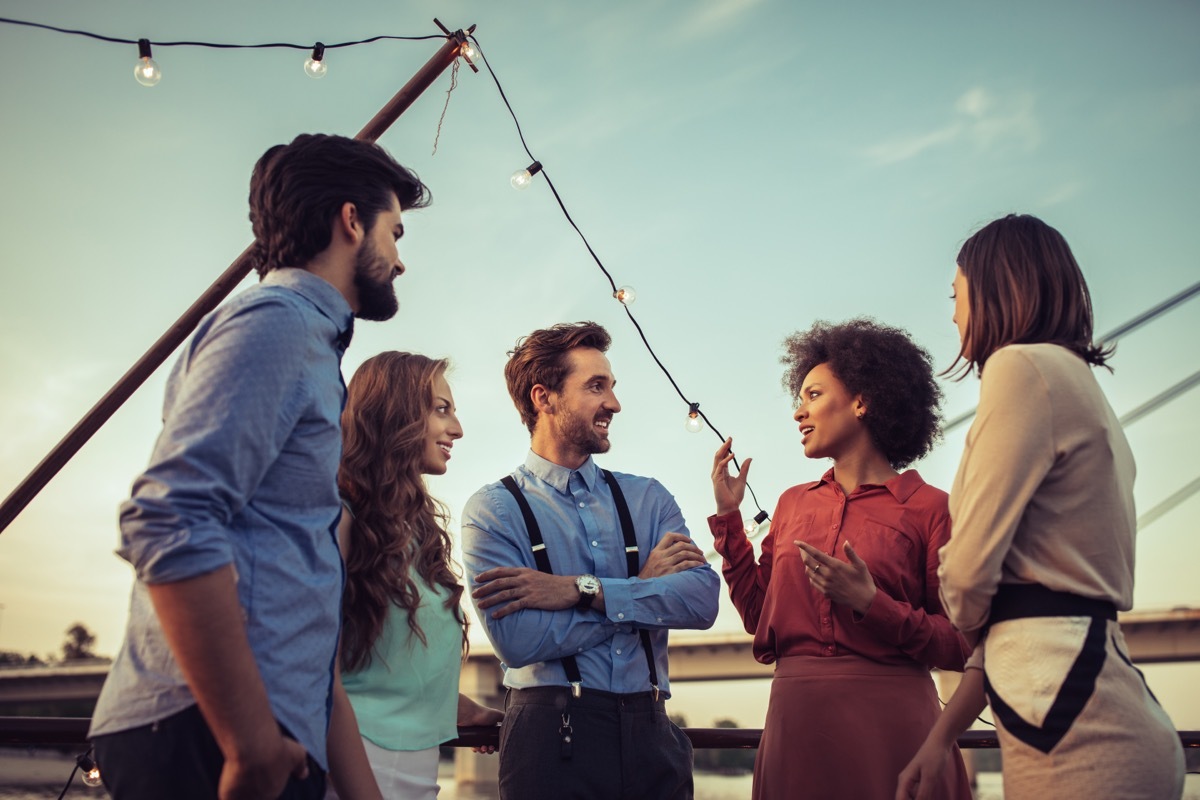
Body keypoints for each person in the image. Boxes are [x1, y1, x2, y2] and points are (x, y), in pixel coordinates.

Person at [88, 133, 431, 800]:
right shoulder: (278, 324)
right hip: (207, 737)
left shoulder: (305, 342)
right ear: (350, 220)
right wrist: (248, 745)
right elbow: (170, 515)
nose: (399, 260)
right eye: (395, 232)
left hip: (249, 734)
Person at [896, 214, 1186, 800]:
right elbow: (1022, 608)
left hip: (1072, 729)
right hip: (1105, 703)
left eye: (956, 295)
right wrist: (940, 739)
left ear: (998, 287)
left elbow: (969, 576)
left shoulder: (1020, 368)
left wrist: (957, 591)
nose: (953, 313)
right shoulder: (1080, 386)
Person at [710, 318, 973, 800]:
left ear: (861, 401)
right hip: (797, 723)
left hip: (893, 728)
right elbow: (757, 615)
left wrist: (874, 604)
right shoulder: (792, 504)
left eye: (813, 395)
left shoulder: (931, 509)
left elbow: (962, 645)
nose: (797, 412)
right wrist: (729, 519)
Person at [461, 321, 720, 800]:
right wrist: (639, 588)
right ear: (544, 397)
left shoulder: (649, 498)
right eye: (595, 387)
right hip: (549, 736)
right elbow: (519, 641)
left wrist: (582, 590)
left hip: (653, 734)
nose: (614, 404)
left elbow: (702, 601)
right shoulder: (492, 510)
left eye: (612, 387)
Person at [327, 352, 503, 799]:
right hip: (349, 770)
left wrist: (458, 708)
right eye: (441, 409)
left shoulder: (414, 532)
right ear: (394, 414)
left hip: (415, 772)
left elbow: (384, 665)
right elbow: (312, 672)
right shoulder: (339, 519)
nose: (457, 428)